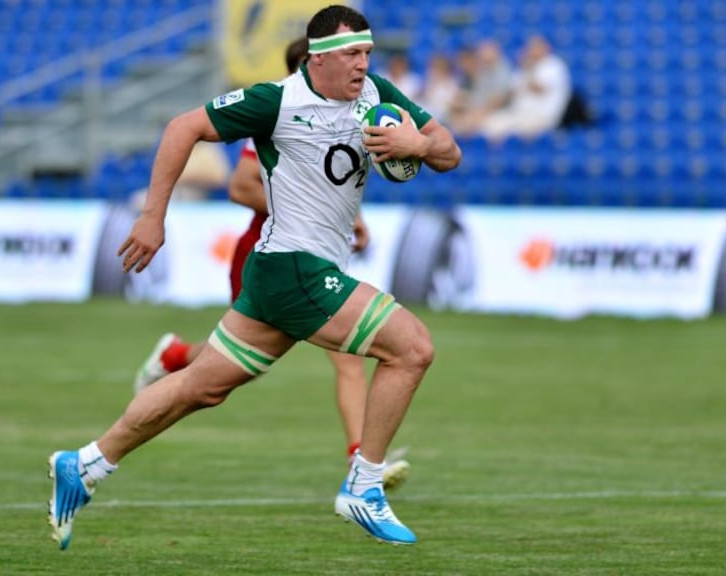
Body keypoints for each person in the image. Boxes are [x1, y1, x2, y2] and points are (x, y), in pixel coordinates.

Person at [48, 4, 461, 549]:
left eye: (366, 52)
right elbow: (183, 127)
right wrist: (153, 216)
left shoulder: (377, 94)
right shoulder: (278, 101)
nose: (362, 64)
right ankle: (363, 486)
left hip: (287, 273)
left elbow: (449, 151)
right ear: (317, 58)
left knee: (200, 388)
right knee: (411, 348)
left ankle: (87, 464)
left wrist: (420, 146)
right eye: (350, 54)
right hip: (294, 266)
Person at [132, 36, 410, 489]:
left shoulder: (339, 115)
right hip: (271, 251)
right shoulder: (276, 110)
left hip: (315, 255)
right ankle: (175, 357)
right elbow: (241, 187)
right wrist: (304, 207)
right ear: (303, 67)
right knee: (225, 368)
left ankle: (359, 458)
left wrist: (345, 213)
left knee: (348, 359)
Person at [479, 35, 572, 143]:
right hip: (519, 114)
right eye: (530, 47)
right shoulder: (524, 67)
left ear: (545, 48)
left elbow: (538, 88)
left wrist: (528, 68)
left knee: (508, 130)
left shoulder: (553, 65)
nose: (531, 50)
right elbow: (511, 92)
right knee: (490, 124)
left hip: (542, 117)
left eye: (535, 47)